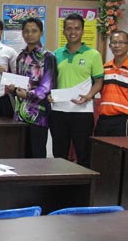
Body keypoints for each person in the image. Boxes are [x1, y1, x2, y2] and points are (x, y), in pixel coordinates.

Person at [50, 13, 104, 167]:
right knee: (59, 154)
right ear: (64, 31)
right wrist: (49, 95)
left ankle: (82, 189)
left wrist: (89, 96)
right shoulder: (56, 54)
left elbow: (99, 81)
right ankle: (60, 187)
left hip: (82, 112)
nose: (72, 32)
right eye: (69, 28)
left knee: (84, 154)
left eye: (77, 28)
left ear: (82, 30)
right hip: (58, 111)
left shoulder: (93, 54)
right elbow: (51, 81)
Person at [8, 18, 57, 159]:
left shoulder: (48, 56)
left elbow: (48, 86)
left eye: (34, 31)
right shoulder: (20, 57)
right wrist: (12, 88)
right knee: (21, 154)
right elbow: (19, 81)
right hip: (20, 114)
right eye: (26, 31)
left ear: (41, 32)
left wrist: (27, 94)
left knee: (37, 155)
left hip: (38, 115)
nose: (30, 34)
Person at [95, 30, 128, 137]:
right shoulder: (105, 68)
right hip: (103, 119)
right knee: (100, 152)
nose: (117, 46)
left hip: (124, 120)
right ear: (110, 46)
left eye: (121, 42)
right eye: (114, 42)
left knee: (121, 152)